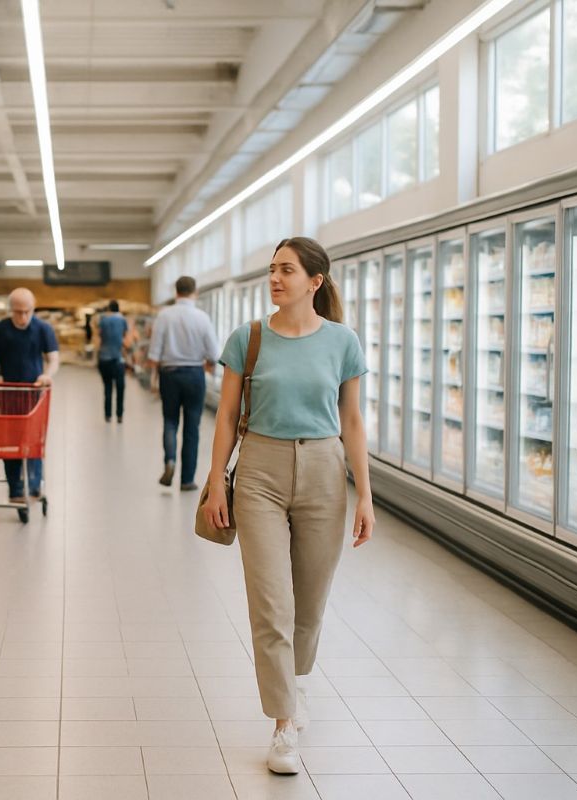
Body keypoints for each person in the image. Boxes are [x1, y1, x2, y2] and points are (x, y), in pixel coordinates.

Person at [202, 237, 374, 775]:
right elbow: (227, 417)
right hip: (259, 473)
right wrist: (213, 483)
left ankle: (297, 682)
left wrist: (365, 494)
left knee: (310, 601)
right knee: (271, 603)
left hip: (325, 472)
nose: (275, 279)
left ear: (314, 282)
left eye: (287, 270)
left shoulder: (342, 342)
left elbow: (352, 422)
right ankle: (282, 725)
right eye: (272, 270)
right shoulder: (248, 339)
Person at [0, 287, 60, 503]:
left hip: (34, 393)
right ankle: (15, 489)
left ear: (33, 309)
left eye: (27, 312)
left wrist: (47, 375)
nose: (23, 317)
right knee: (11, 441)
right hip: (8, 394)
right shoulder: (0, 329)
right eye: (18, 312)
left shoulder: (43, 329)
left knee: (34, 439)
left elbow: (53, 358)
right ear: (10, 310)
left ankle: (35, 486)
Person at [147, 276, 219, 491]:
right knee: (192, 427)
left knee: (170, 421)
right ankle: (187, 480)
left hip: (169, 374)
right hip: (195, 374)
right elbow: (214, 353)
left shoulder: (164, 316)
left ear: (176, 292)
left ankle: (170, 460)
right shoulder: (202, 317)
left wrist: (153, 378)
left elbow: (154, 353)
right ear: (194, 292)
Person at [95, 300, 131, 422]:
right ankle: (120, 415)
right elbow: (126, 339)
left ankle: (108, 415)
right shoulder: (123, 320)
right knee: (120, 388)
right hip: (118, 359)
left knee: (107, 387)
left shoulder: (103, 321)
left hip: (104, 358)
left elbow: (98, 339)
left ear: (109, 309)